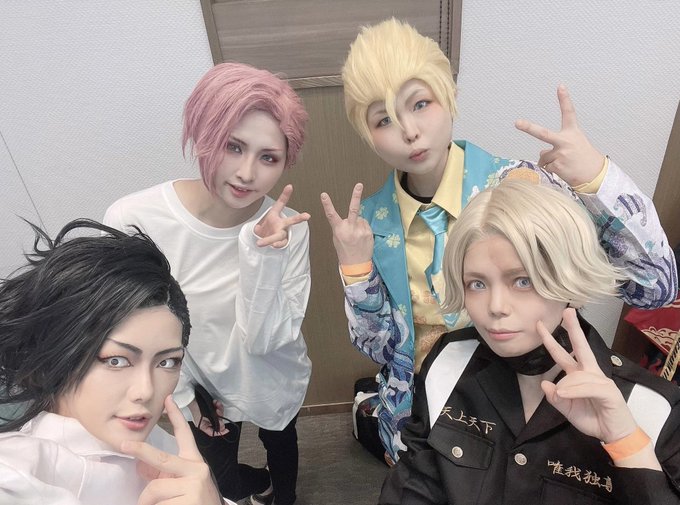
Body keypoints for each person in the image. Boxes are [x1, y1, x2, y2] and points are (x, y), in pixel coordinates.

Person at [320, 18, 677, 463]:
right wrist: (356, 273)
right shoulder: (372, 223)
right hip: (420, 419)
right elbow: (380, 349)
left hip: (525, 417)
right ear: (368, 135)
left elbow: (654, 287)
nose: (409, 130)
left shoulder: (522, 188)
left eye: (420, 103)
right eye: (384, 119)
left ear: (449, 95)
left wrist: (595, 179)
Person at [379, 180, 680, 504]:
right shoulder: (448, 362)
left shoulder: (651, 407)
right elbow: (414, 485)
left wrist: (626, 442)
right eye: (477, 284)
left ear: (570, 280)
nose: (496, 306)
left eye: (522, 281)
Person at [104, 62, 311, 505]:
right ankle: (252, 485)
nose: (247, 173)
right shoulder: (135, 220)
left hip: (272, 377)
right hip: (204, 390)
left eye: (268, 157)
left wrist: (261, 254)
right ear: (204, 134)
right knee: (220, 481)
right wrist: (182, 394)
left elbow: (264, 339)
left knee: (283, 449)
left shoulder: (288, 228)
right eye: (233, 147)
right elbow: (134, 329)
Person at [0, 219, 230, 505]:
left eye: (167, 362)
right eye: (116, 361)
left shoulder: (160, 443)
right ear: (53, 354)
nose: (146, 391)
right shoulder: (17, 476)